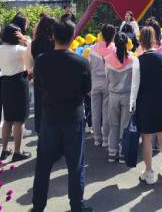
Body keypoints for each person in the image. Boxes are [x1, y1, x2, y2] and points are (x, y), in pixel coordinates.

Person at [32, 21, 92, 212]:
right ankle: (77, 206)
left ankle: (38, 206)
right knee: (75, 166)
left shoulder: (41, 60)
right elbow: (87, 89)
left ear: (53, 37)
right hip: (73, 118)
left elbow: (38, 87)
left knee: (43, 165)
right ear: (73, 38)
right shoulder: (81, 62)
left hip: (49, 118)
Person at [130, 26, 162, 184]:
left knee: (146, 138)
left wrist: (132, 106)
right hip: (161, 100)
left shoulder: (138, 60)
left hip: (144, 102)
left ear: (141, 42)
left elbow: (135, 86)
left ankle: (149, 173)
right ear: (154, 40)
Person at [0, 24, 33, 162]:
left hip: (5, 82)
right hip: (19, 82)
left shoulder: (0, 48)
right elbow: (30, 64)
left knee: (8, 119)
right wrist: (26, 40)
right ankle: (17, 151)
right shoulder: (20, 50)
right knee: (19, 120)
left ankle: (4, 149)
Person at [105, 32, 135, 163]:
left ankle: (112, 152)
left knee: (113, 125)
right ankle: (123, 153)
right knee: (125, 126)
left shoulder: (108, 59)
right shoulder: (133, 59)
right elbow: (135, 80)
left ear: (115, 43)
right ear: (127, 43)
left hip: (113, 95)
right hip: (127, 95)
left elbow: (107, 78)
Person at [88, 24, 116, 147]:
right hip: (108, 83)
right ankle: (105, 139)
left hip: (94, 82)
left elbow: (88, 67)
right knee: (106, 113)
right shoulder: (114, 49)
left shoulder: (93, 48)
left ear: (101, 34)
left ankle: (97, 138)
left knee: (95, 111)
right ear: (113, 35)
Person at [31, 15, 58, 134]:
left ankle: (40, 129)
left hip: (39, 77)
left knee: (39, 105)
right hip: (53, 78)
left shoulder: (35, 43)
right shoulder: (54, 43)